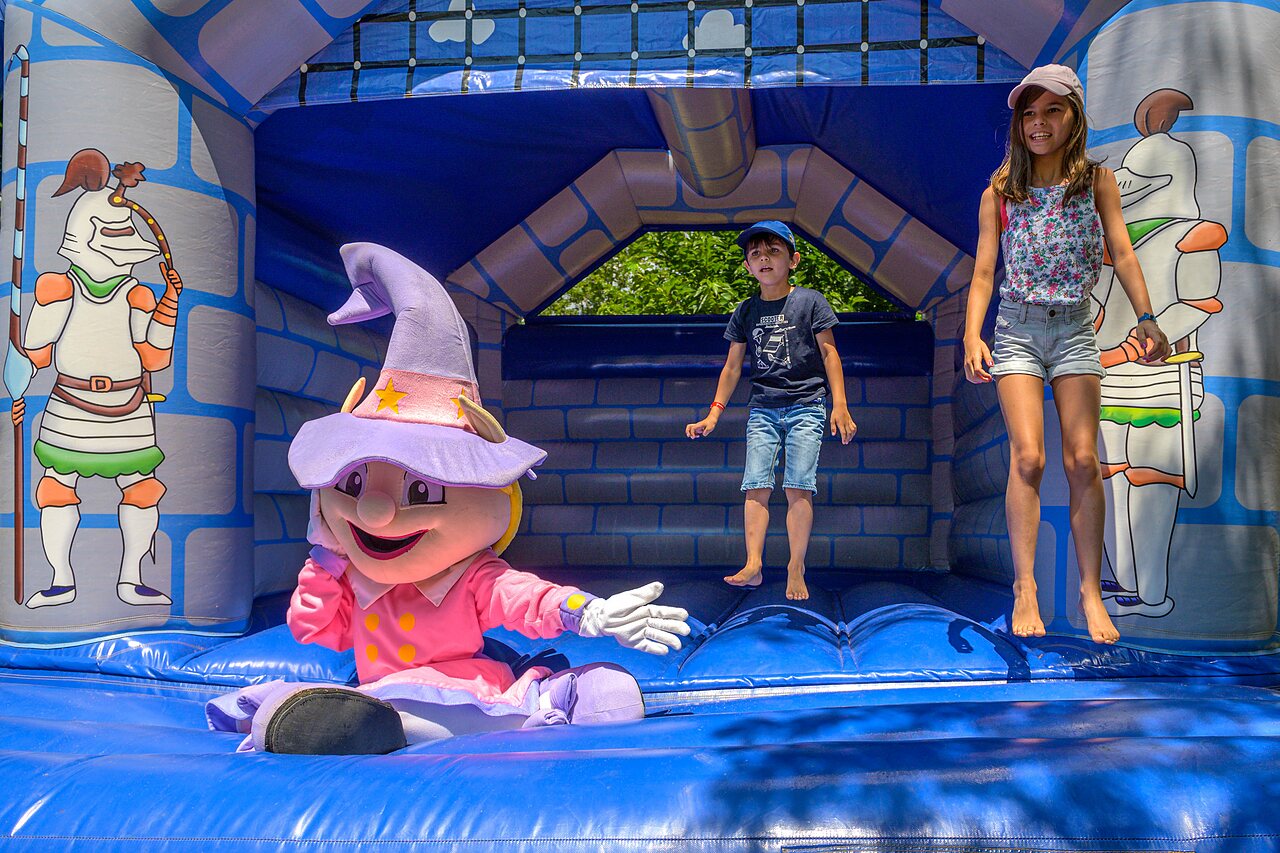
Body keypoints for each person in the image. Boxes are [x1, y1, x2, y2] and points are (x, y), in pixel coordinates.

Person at [962, 65, 1170, 644]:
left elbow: (1122, 253)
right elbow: (984, 272)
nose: (1039, 123)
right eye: (1029, 113)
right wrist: (973, 335)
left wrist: (1148, 318)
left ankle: (1089, 590)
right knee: (1028, 458)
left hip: (1075, 329)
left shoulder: (1097, 181)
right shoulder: (1001, 192)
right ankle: (1024, 585)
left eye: (1052, 110)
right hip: (1019, 330)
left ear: (1074, 116)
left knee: (1082, 460)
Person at [685, 221, 856, 601]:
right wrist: (714, 413)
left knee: (798, 486)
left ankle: (796, 565)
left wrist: (839, 405)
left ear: (793, 260)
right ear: (748, 267)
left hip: (807, 404)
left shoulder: (810, 301)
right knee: (755, 485)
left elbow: (830, 354)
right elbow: (732, 368)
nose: (764, 258)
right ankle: (754, 564)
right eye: (756, 254)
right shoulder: (746, 311)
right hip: (763, 408)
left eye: (773, 251)